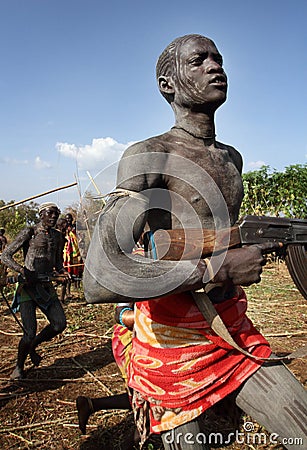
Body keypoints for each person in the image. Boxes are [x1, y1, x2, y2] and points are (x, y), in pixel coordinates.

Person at [83, 35, 307, 449]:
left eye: (219, 59)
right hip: (170, 341)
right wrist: (215, 268)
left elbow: (221, 236)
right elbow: (99, 277)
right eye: (198, 60)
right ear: (167, 85)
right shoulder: (150, 155)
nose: (215, 67)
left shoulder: (231, 159)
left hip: (231, 328)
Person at [1, 202, 70, 380]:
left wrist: (62, 272)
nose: (54, 216)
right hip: (28, 288)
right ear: (41, 215)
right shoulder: (29, 232)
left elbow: (57, 262)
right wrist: (23, 271)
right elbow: (5, 256)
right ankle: (19, 366)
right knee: (29, 332)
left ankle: (34, 345)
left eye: (57, 213)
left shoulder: (58, 236)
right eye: (50, 213)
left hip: (46, 286)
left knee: (59, 324)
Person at [63, 213, 83, 298]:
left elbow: (83, 228)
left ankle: (77, 286)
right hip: (67, 252)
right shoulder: (63, 228)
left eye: (70, 219)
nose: (68, 220)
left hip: (76, 250)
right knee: (68, 271)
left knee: (78, 270)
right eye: (67, 219)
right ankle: (67, 292)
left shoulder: (75, 226)